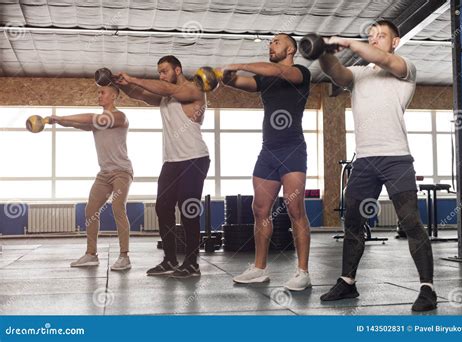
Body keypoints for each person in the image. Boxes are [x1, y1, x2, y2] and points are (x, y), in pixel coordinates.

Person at [318, 20, 436, 311]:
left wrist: (347, 43)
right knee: (354, 223)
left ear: (395, 42)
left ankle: (428, 289)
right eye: (371, 36)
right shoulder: (358, 74)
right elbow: (335, 71)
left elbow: (381, 59)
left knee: (410, 222)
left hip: (397, 158)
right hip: (365, 161)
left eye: (381, 36)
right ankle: (347, 282)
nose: (374, 40)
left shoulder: (404, 68)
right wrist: (322, 51)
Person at [222, 33, 312, 291]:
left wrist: (238, 64)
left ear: (291, 48)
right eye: (270, 42)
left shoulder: (300, 73)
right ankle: (260, 269)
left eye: (276, 41)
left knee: (296, 211)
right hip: (268, 151)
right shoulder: (264, 78)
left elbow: (277, 72)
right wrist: (225, 76)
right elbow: (236, 83)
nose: (271, 45)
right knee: (260, 209)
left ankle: (303, 272)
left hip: (293, 149)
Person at [116, 55, 210, 279]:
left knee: (188, 209)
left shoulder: (195, 90)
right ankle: (170, 259)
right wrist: (122, 85)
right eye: (159, 72)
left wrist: (133, 78)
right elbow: (140, 94)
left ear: (177, 70)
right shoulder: (166, 99)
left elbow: (164, 88)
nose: (161, 75)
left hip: (194, 158)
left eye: (164, 71)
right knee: (163, 207)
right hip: (171, 162)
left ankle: (192, 263)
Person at [51, 85, 134, 271]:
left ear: (113, 96)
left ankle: (124, 256)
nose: (99, 95)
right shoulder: (98, 122)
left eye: (102, 92)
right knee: (91, 210)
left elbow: (90, 118)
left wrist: (61, 117)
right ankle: (91, 254)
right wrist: (56, 121)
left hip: (122, 171)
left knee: (117, 207)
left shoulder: (120, 117)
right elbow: (78, 123)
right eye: (98, 92)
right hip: (104, 174)